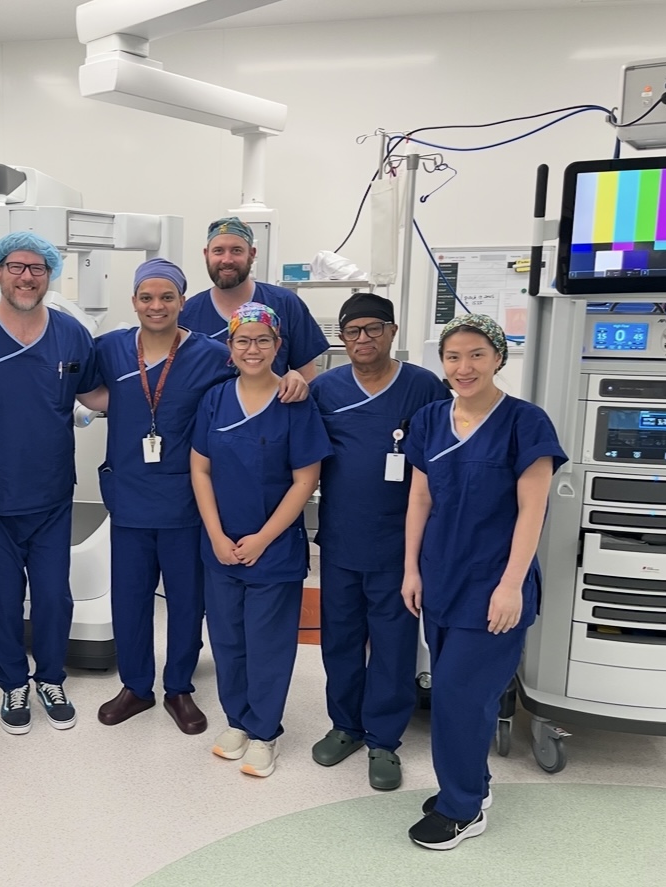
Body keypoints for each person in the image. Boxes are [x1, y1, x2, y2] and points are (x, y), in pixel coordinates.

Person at [401, 313, 566, 850]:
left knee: (458, 698)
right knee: (455, 690)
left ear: (499, 357)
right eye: (453, 356)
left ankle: (461, 810)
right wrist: (411, 568)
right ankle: (475, 785)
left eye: (476, 354)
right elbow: (421, 499)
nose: (463, 366)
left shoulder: (525, 422)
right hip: (441, 577)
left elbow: (532, 510)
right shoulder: (429, 420)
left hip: (495, 584)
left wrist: (511, 584)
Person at [0, 231, 97, 734]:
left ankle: (50, 676)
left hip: (51, 493)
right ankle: (12, 681)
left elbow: (100, 392)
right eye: (16, 266)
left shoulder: (72, 335)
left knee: (54, 595)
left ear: (50, 274)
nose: (27, 276)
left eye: (37, 268)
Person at [308, 293, 451, 791]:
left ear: (392, 332)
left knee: (392, 645)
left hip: (399, 544)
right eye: (352, 331)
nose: (363, 339)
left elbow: (443, 459)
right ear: (342, 339)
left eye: (373, 329)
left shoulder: (423, 387)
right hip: (343, 538)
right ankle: (345, 725)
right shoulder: (324, 389)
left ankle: (384, 740)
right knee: (340, 638)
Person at [82, 258, 232, 734]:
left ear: (183, 302)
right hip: (128, 495)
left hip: (187, 500)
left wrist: (292, 379)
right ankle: (136, 687)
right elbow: (87, 391)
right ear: (134, 302)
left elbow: (247, 386)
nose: (156, 305)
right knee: (129, 597)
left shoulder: (211, 354)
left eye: (167, 297)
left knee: (187, 599)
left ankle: (180, 686)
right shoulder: (110, 348)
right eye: (147, 297)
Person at [190, 302, 332, 778]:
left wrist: (262, 539)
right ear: (229, 348)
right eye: (243, 340)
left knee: (268, 642)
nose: (253, 349)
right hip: (220, 545)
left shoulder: (295, 401)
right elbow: (200, 467)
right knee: (228, 638)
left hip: (273, 550)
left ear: (278, 347)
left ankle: (266, 731)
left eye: (263, 340)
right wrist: (214, 533)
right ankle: (238, 721)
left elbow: (304, 480)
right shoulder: (214, 399)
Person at [179, 217, 329, 402]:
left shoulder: (285, 303)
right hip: (209, 422)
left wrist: (296, 380)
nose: (227, 260)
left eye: (236, 250)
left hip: (272, 421)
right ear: (206, 254)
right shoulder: (187, 315)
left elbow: (308, 378)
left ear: (252, 254)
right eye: (218, 251)